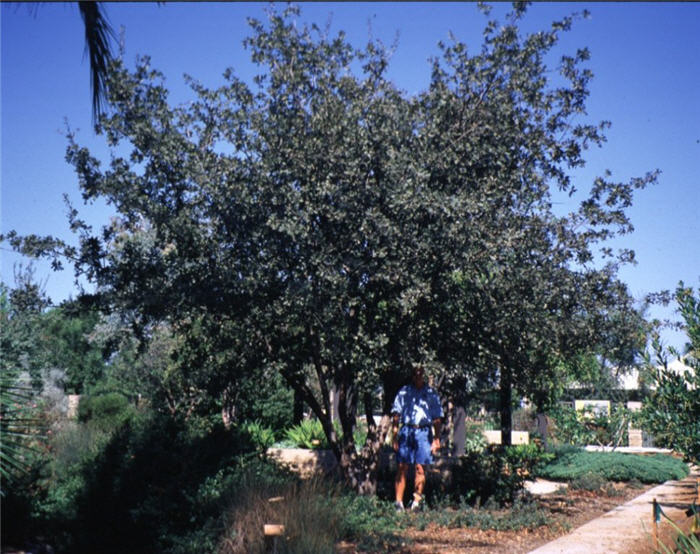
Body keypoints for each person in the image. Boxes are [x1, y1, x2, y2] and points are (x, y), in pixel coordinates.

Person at [391, 364, 443, 511]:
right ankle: (398, 504)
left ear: (423, 375)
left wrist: (437, 439)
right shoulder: (404, 392)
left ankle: (416, 503)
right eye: (415, 374)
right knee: (402, 467)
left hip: (424, 432)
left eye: (420, 374)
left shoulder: (431, 393)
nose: (418, 376)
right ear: (412, 375)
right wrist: (394, 437)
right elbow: (396, 415)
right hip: (407, 430)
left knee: (420, 468)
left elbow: (437, 418)